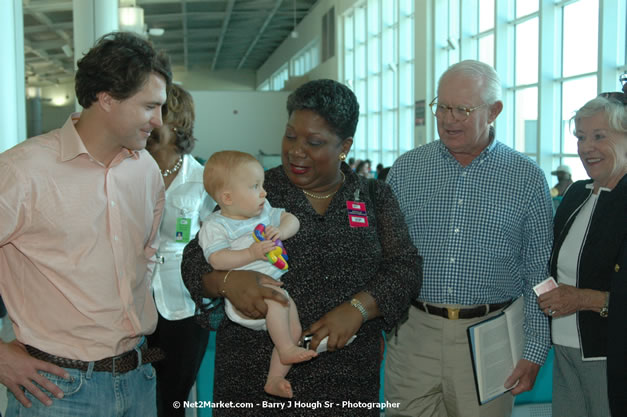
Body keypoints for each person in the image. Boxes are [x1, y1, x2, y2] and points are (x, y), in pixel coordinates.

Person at [181, 79, 422, 415]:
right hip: (254, 380)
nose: (296, 150)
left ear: (344, 146)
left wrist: (359, 308)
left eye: (314, 142)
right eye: (290, 135)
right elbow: (195, 260)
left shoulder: (372, 197)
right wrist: (226, 282)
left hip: (345, 381)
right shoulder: (255, 189)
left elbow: (405, 267)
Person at [0, 32, 171, 416]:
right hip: (56, 391)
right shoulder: (21, 172)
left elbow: (143, 262)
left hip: (139, 378)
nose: (159, 122)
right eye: (150, 106)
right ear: (107, 98)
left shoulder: (145, 171)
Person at [384, 60, 553, 417]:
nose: (448, 119)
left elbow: (539, 272)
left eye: (462, 109)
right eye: (442, 107)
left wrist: (535, 349)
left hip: (491, 340)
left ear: (494, 111)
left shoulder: (526, 178)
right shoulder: (407, 169)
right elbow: (386, 256)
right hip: (414, 334)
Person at [199, 150, 315, 399]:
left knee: (294, 330)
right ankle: (285, 349)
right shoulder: (216, 226)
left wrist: (281, 231)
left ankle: (274, 378)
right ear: (227, 197)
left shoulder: (263, 211)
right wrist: (251, 254)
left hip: (275, 288)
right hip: (246, 297)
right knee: (279, 313)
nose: (264, 192)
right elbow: (217, 259)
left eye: (261, 185)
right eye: (255, 187)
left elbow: (292, 219)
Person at [537, 95, 626, 417]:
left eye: (600, 136)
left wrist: (586, 299)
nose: (586, 147)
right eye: (580, 137)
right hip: (563, 351)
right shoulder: (576, 194)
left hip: (611, 357)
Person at [145, 84, 216, 417]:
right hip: (134, 300)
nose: (148, 120)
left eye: (156, 112)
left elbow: (219, 237)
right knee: (140, 387)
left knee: (174, 394)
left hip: (185, 305)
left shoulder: (203, 180)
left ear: (178, 124)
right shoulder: (129, 170)